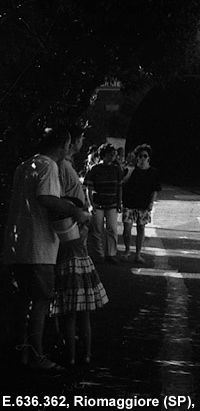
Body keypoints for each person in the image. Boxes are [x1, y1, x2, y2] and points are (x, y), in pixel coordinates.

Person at [2, 126, 90, 370]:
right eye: (70, 144)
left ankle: (22, 353)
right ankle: (37, 357)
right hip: (39, 246)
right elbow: (46, 198)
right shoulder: (49, 166)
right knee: (41, 301)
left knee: (21, 303)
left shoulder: (24, 165)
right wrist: (76, 212)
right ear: (63, 144)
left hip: (16, 246)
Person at [51, 132, 108, 366]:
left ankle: (73, 356)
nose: (82, 142)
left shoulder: (64, 165)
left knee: (71, 315)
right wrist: (79, 216)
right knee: (83, 314)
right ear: (71, 142)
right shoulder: (63, 166)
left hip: (69, 251)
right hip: (80, 261)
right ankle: (85, 355)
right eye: (80, 139)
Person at [84, 145, 124, 263]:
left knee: (112, 228)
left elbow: (119, 187)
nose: (112, 157)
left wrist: (119, 202)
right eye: (110, 154)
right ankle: (99, 254)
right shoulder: (94, 169)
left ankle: (111, 254)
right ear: (103, 155)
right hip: (98, 203)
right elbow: (89, 188)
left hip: (112, 203)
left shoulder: (116, 169)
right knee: (97, 229)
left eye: (113, 154)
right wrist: (91, 204)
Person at [121, 145, 160, 264]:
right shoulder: (130, 170)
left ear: (149, 158)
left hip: (143, 204)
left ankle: (138, 254)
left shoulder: (153, 172)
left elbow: (155, 189)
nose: (142, 158)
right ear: (137, 158)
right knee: (127, 229)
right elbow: (122, 184)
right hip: (129, 203)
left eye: (145, 156)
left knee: (141, 229)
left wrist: (151, 203)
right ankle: (127, 251)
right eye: (140, 156)